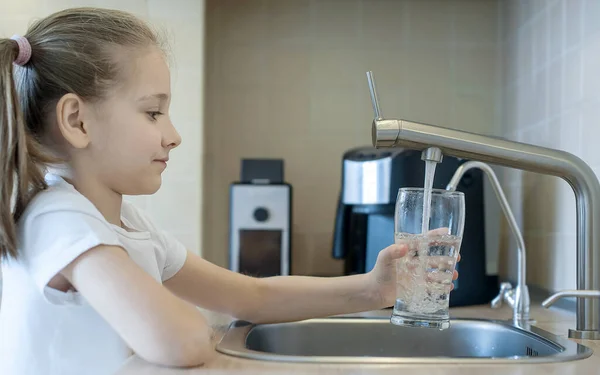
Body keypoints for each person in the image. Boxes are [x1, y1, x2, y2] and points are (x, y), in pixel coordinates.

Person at [0, 7, 459, 375]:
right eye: (153, 113)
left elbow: (249, 297)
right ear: (77, 121)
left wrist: (371, 289)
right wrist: (199, 329)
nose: (174, 134)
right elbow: (176, 342)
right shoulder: (58, 217)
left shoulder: (125, 223)